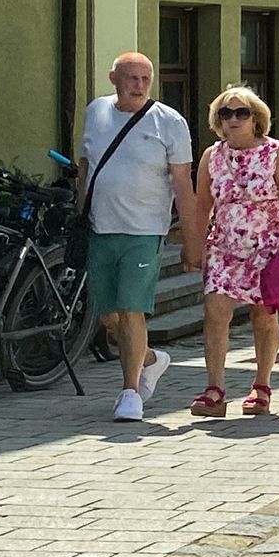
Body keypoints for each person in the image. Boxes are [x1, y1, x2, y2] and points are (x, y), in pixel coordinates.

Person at [77, 51, 198, 424]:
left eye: (146, 79)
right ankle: (149, 358)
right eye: (131, 78)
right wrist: (79, 212)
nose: (139, 86)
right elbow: (85, 164)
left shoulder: (170, 122)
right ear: (113, 78)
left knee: (132, 309)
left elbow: (183, 184)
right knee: (105, 314)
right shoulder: (96, 112)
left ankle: (130, 393)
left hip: (145, 230)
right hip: (100, 227)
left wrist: (194, 239)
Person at [185, 86, 279, 419]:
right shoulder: (212, 156)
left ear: (255, 119)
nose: (234, 120)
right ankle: (215, 390)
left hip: (266, 244)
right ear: (218, 121)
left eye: (241, 113)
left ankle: (261, 386)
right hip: (224, 245)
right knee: (215, 312)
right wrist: (196, 245)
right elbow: (202, 205)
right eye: (226, 113)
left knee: (263, 316)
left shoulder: (274, 152)